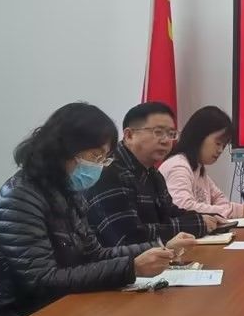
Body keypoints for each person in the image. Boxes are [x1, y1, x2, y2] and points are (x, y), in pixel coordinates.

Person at [0, 102, 198, 316]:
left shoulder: (67, 192)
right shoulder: (18, 198)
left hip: (53, 310)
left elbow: (94, 254)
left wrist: (159, 247)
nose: (100, 166)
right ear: (64, 149)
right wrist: (131, 268)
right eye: (95, 156)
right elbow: (43, 280)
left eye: (104, 158)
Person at [86, 101, 211, 247]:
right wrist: (198, 225)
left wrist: (205, 219)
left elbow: (169, 214)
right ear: (129, 135)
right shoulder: (109, 171)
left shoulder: (153, 173)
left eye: (171, 134)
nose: (166, 141)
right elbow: (129, 237)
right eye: (158, 132)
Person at [160, 105, 244, 221]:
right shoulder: (178, 166)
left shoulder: (197, 167)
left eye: (224, 146)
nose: (220, 150)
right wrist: (234, 211)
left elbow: (219, 198)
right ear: (199, 136)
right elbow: (183, 208)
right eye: (218, 143)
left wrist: (236, 209)